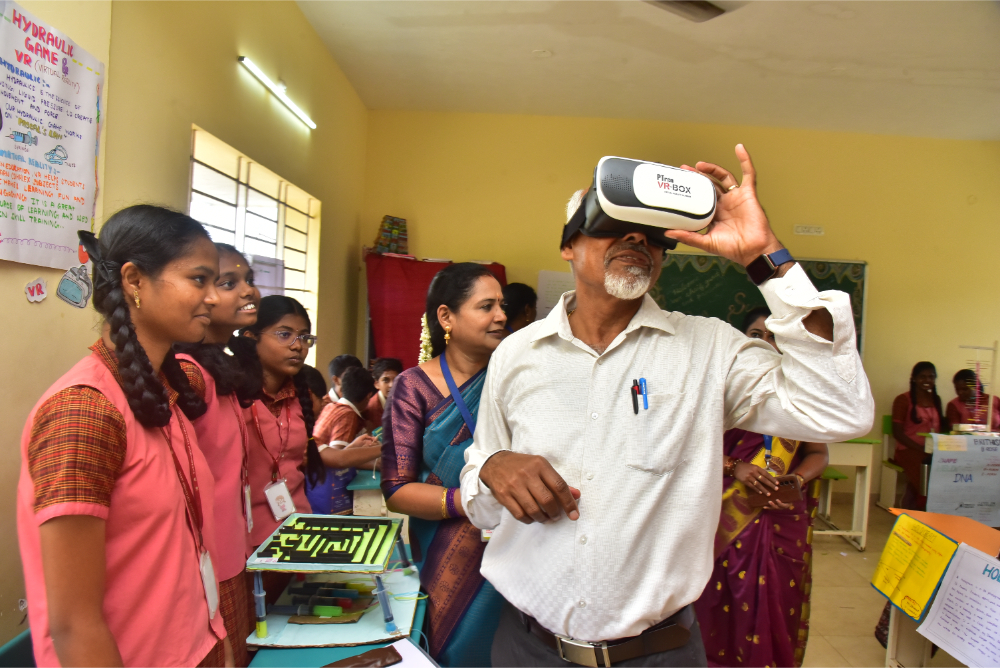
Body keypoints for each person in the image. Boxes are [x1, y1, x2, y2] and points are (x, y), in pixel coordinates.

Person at [459, 145, 873, 668]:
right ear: (568, 244)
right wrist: (492, 467)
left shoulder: (709, 350)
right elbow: (479, 494)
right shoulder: (517, 354)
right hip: (526, 649)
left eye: (655, 234)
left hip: (659, 655)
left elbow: (840, 410)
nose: (638, 239)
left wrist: (764, 255)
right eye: (614, 223)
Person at [17, 206, 231, 666]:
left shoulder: (165, 395)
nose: (214, 298)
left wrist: (218, 640)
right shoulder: (84, 412)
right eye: (199, 279)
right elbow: (74, 626)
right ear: (134, 280)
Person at [381, 263, 509, 667]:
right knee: (453, 649)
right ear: (446, 317)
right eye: (486, 306)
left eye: (502, 305)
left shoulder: (516, 381)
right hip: (444, 552)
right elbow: (396, 490)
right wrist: (472, 502)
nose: (501, 316)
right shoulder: (412, 387)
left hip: (513, 548)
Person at [694, 306, 829, 668]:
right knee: (717, 605)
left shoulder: (801, 396)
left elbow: (818, 454)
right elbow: (691, 447)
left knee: (776, 603)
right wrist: (734, 467)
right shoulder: (720, 389)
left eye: (775, 337)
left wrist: (797, 479)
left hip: (783, 517)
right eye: (757, 335)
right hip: (723, 513)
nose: (766, 343)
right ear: (742, 340)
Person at [176, 244, 261, 667]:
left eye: (249, 280)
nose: (248, 291)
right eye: (230, 283)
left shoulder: (218, 368)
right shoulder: (188, 373)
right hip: (206, 563)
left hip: (233, 551)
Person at [236, 296, 324, 548]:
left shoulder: (302, 397)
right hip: (244, 538)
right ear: (251, 338)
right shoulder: (231, 396)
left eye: (304, 337)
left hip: (297, 533)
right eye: (285, 335)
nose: (298, 346)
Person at [307, 367, 382, 514]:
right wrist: (377, 462)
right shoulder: (348, 414)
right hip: (325, 491)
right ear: (368, 396)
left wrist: (355, 446)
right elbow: (339, 459)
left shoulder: (331, 406)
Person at [890, 362, 944, 510]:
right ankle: (922, 509)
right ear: (914, 378)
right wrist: (920, 449)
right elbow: (897, 432)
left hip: (932, 449)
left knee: (947, 467)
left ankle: (916, 503)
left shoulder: (936, 400)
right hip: (908, 450)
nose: (927, 380)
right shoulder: (902, 400)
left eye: (931, 377)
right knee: (926, 472)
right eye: (922, 377)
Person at [367, 357, 403, 431]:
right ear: (376, 384)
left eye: (396, 380)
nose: (391, 385)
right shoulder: (370, 409)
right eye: (386, 380)